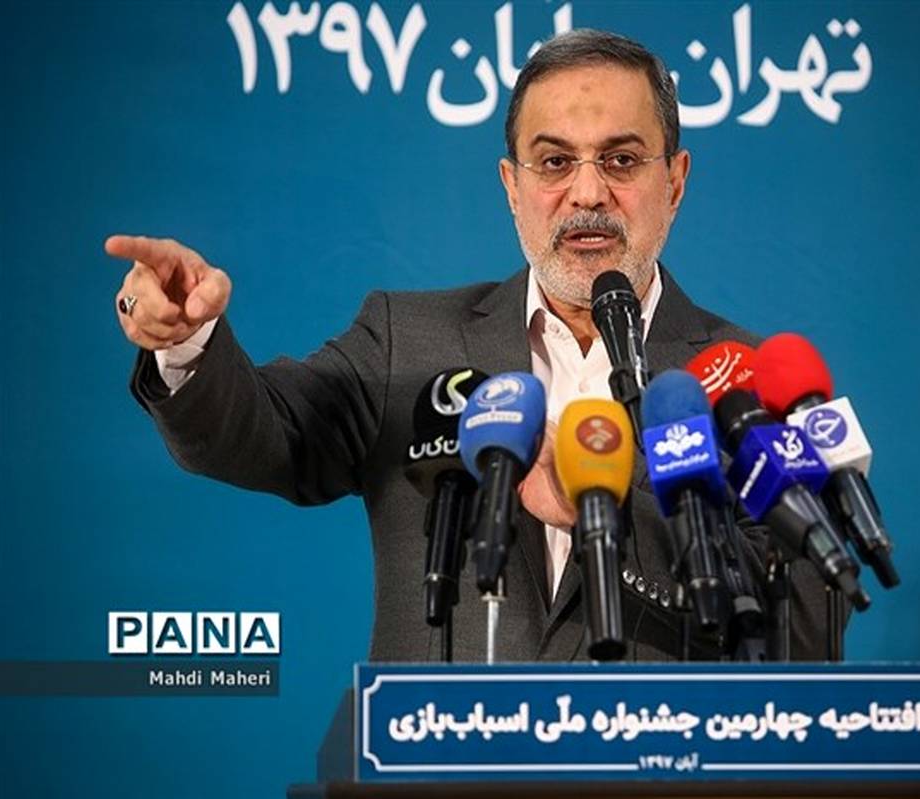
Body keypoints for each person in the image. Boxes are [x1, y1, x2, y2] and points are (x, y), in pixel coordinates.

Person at [106, 29, 837, 662]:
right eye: (554, 162)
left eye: (620, 160)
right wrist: (189, 341)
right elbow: (268, 435)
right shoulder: (408, 342)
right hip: (442, 760)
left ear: (674, 182)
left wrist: (602, 511)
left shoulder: (753, 380)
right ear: (512, 186)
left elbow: (809, 626)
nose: (588, 194)